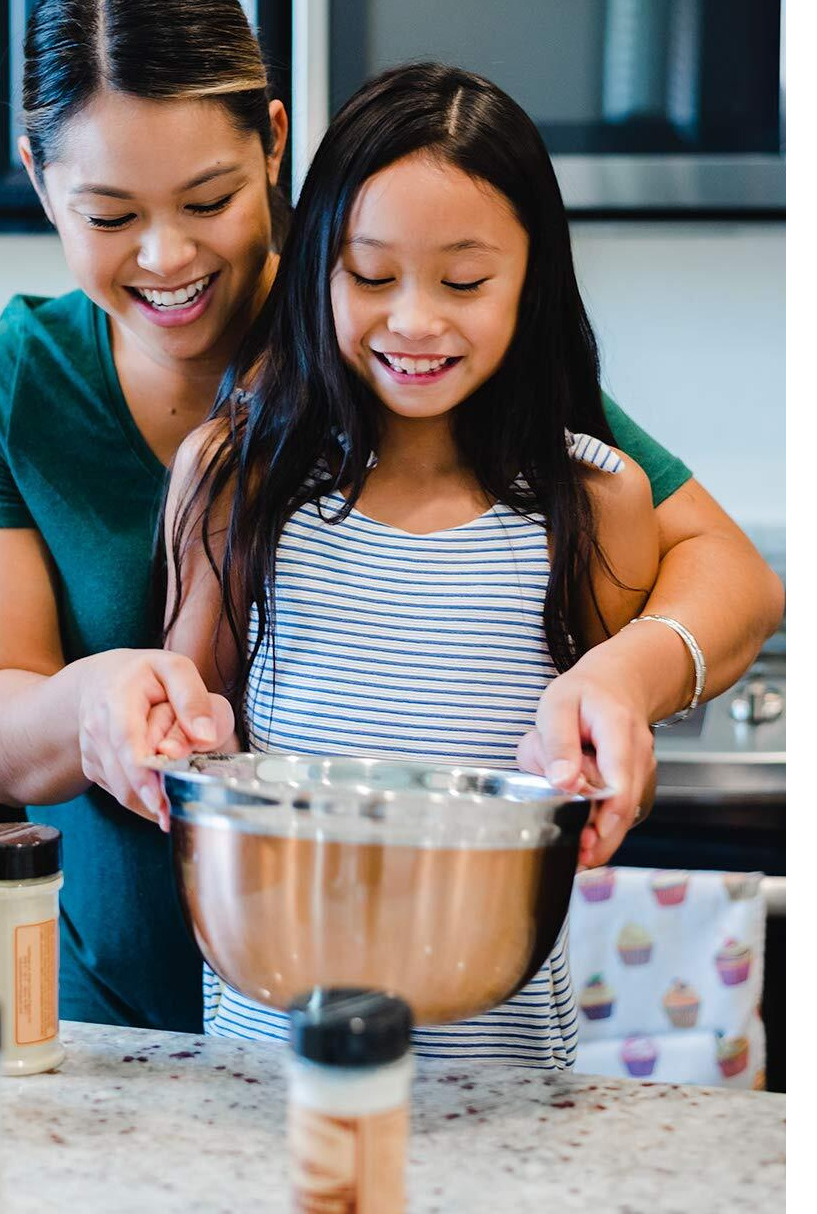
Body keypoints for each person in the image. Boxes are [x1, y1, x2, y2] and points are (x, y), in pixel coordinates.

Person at [0, 0, 785, 1035]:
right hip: (118, 1011)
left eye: (210, 197)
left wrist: (627, 672)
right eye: (108, 214)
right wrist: (94, 705)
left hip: (462, 1026)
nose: (167, 253)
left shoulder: (391, 337)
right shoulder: (6, 390)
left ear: (273, 141)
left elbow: (729, 573)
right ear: (36, 173)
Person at [158, 61, 660, 1063]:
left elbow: (595, 762)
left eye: (465, 281)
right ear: (317, 271)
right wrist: (166, 730)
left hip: (504, 1076)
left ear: (533, 280)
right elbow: (190, 720)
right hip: (268, 1062)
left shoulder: (598, 502)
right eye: (372, 275)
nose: (416, 319)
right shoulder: (233, 477)